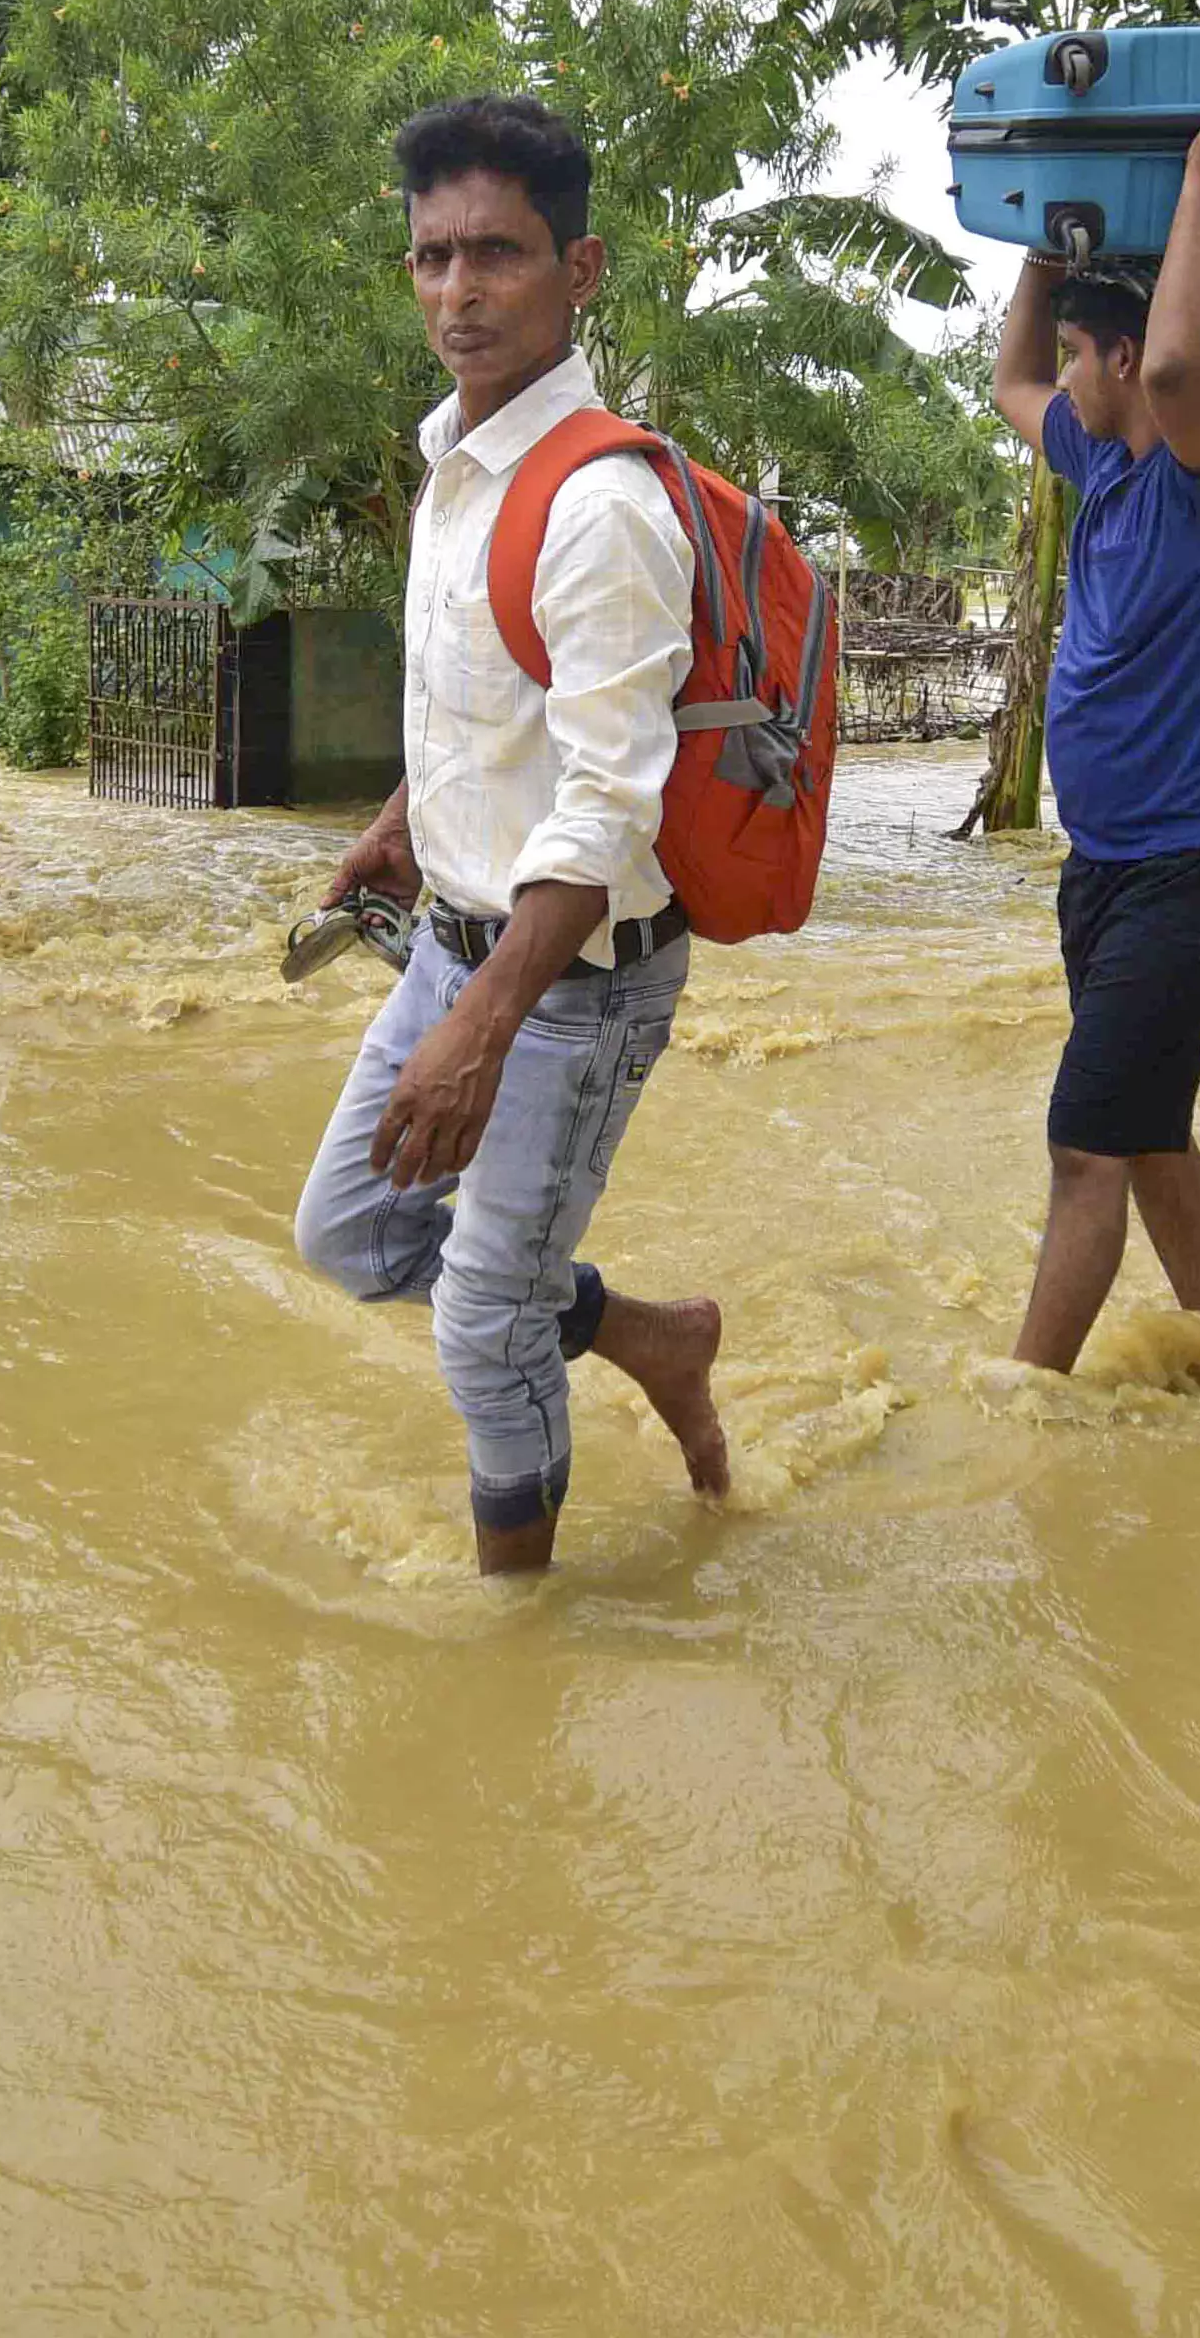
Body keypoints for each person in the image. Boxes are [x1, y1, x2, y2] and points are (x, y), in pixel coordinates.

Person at [292, 95, 728, 1573]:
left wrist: (483, 1024)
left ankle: (517, 1630)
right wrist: (405, 821)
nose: (458, 293)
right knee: (350, 1235)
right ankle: (653, 1340)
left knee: (482, 1318)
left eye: (497, 255)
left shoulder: (605, 504)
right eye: (431, 259)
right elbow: (493, 702)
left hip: (575, 980)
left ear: (580, 270)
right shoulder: (454, 461)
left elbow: (612, 797)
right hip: (452, 938)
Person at [987, 82, 1200, 1372]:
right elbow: (1007, 371)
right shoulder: (1099, 464)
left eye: (1081, 351)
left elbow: (1178, 363)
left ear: (1118, 362)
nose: (1062, 371)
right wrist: (1034, 230)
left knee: (1086, 1140)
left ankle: (1024, 1394)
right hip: (1109, 867)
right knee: (1154, 1132)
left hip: (1196, 859)